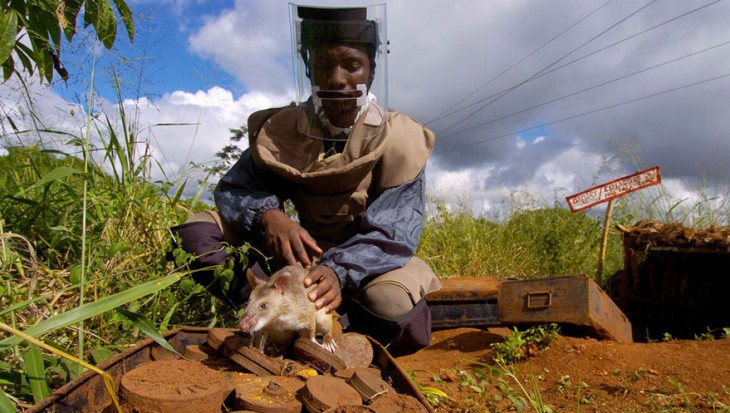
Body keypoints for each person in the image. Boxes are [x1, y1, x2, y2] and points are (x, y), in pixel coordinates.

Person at [171, 4, 441, 356]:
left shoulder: (401, 139)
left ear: (371, 71)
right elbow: (235, 189)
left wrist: (337, 273)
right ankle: (273, 315)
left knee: (390, 306)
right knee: (194, 236)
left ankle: (338, 324)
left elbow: (393, 234)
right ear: (308, 68)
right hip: (297, 269)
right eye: (323, 66)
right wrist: (268, 216)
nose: (337, 79)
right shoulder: (282, 130)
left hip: (371, 266)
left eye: (352, 65)